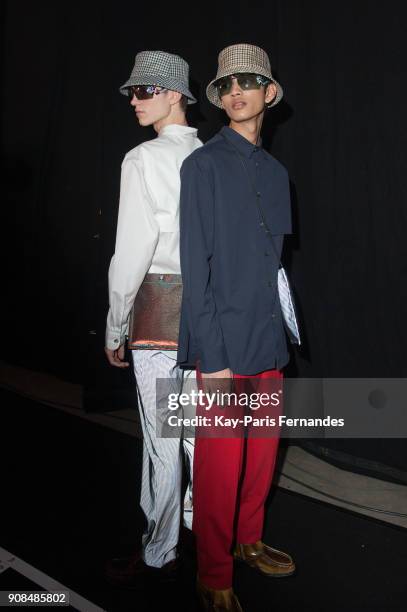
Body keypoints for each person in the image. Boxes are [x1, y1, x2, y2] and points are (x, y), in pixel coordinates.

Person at [178, 43, 296, 611]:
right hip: (222, 341)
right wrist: (213, 355)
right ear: (221, 98)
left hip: (268, 338)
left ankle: (248, 540)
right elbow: (194, 268)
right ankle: (212, 569)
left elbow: (275, 268)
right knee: (221, 462)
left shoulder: (277, 174)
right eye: (226, 84)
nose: (236, 90)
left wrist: (281, 333)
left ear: (268, 93)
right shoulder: (201, 165)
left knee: (262, 454)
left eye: (249, 80)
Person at [104, 50, 202, 586]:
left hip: (158, 316)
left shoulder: (142, 160)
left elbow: (131, 253)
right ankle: (202, 531)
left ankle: (160, 551)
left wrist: (115, 323)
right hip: (206, 318)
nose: (135, 101)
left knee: (164, 442)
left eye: (144, 91)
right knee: (194, 438)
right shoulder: (212, 157)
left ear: (173, 94)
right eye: (134, 93)